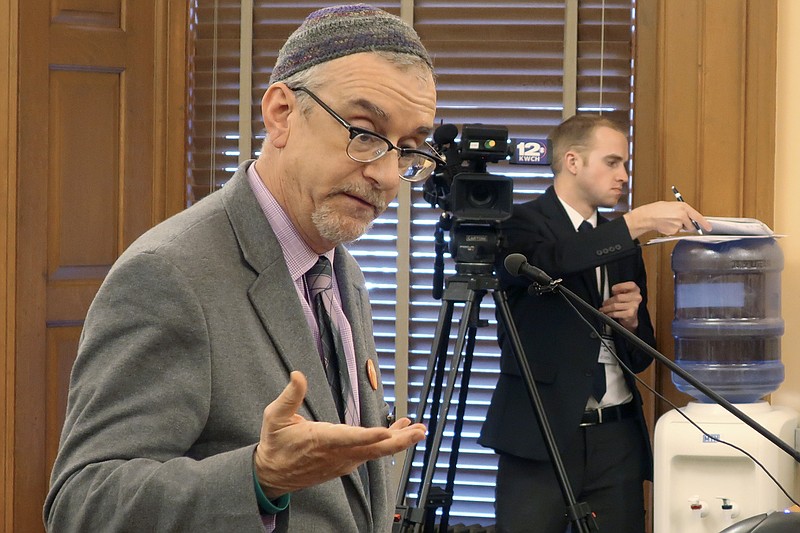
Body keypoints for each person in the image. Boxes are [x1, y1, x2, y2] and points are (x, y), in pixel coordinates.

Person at [44, 4, 443, 532]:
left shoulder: (340, 271)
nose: (388, 176)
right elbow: (82, 505)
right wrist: (259, 476)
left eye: (410, 150)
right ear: (280, 114)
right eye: (364, 132)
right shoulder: (169, 275)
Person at [478, 114, 711, 533]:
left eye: (625, 164)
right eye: (612, 162)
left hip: (616, 436)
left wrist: (633, 321)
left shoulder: (620, 243)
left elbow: (640, 359)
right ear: (572, 161)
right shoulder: (517, 223)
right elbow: (549, 264)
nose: (623, 175)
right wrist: (635, 223)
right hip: (541, 435)